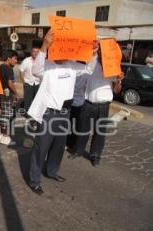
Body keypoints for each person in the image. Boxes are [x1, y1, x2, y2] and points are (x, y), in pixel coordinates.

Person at [28, 30, 98, 195]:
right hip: (49, 114)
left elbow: (88, 69)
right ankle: (34, 180)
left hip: (65, 112)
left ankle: (52, 171)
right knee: (41, 148)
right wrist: (45, 45)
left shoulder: (72, 65)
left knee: (59, 146)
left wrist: (93, 53)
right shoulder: (47, 65)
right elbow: (35, 70)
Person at [70, 43, 124, 167]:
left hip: (103, 105)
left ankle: (95, 155)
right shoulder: (92, 61)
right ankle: (78, 151)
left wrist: (119, 80)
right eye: (100, 51)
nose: (101, 53)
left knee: (99, 132)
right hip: (88, 102)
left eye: (102, 51)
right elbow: (85, 64)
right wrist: (93, 50)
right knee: (83, 130)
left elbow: (116, 90)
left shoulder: (113, 66)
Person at [0, 49, 19, 146]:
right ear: (9, 58)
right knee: (7, 116)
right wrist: (16, 93)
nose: (16, 61)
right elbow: (10, 83)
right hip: (7, 96)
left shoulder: (0, 67)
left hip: (1, 95)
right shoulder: (8, 69)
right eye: (14, 58)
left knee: (2, 115)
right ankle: (5, 138)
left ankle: (0, 134)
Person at [66, 72, 88, 153]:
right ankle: (73, 144)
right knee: (77, 125)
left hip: (70, 101)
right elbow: (86, 89)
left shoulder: (73, 71)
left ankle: (67, 142)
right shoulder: (87, 74)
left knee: (69, 124)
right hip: (80, 103)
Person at [19, 46, 40, 131]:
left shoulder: (41, 62)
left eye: (37, 52)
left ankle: (36, 118)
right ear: (31, 52)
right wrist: (24, 82)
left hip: (38, 83)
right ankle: (31, 119)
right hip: (28, 83)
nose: (35, 53)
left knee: (37, 102)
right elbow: (21, 72)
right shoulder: (26, 61)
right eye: (34, 51)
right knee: (28, 102)